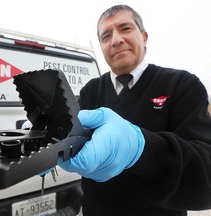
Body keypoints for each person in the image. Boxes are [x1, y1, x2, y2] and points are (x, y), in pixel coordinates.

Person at [58, 4, 211, 216]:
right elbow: (74, 139)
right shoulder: (90, 90)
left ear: (144, 36)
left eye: (125, 28)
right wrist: (52, 138)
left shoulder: (182, 85)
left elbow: (206, 174)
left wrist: (142, 150)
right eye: (106, 36)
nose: (116, 40)